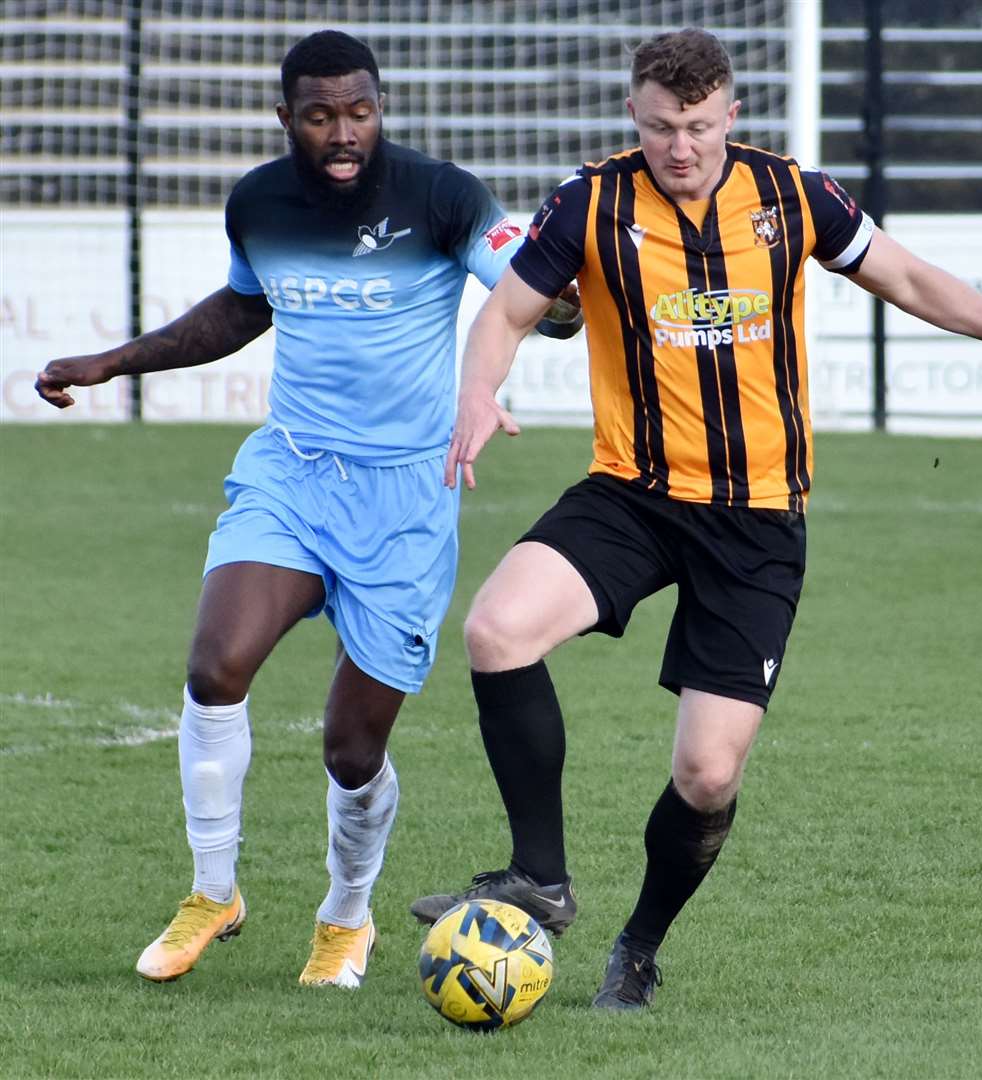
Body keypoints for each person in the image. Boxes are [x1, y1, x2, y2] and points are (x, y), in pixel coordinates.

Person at [409, 28, 982, 1009]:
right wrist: (477, 393)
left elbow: (904, 277)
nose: (678, 148)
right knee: (495, 629)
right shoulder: (591, 200)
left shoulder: (793, 196)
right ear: (632, 117)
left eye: (696, 127)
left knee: (705, 773)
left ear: (731, 115)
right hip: (634, 495)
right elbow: (507, 314)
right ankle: (541, 878)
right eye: (659, 128)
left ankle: (639, 946)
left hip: (758, 521)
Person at [34, 29, 580, 990]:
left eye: (359, 111)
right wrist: (113, 361)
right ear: (284, 118)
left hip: (408, 497)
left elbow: (542, 295)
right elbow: (245, 310)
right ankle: (214, 893)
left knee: (351, 744)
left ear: (381, 109)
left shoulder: (443, 197)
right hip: (292, 473)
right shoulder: (258, 202)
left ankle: (345, 919)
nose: (343, 133)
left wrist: (562, 288)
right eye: (321, 114)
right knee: (216, 665)